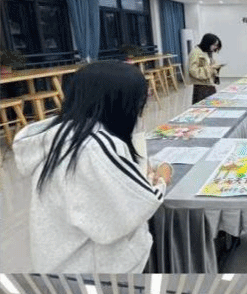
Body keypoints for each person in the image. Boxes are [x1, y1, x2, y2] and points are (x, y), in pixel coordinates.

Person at [13, 60, 173, 273]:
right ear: (118, 103)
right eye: (139, 101)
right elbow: (138, 204)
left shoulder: (63, 134)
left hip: (59, 259)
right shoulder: (95, 147)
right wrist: (161, 179)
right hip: (92, 265)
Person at [187, 33, 224, 103]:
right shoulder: (195, 52)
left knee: (213, 106)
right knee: (202, 107)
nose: (215, 47)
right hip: (201, 87)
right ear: (207, 43)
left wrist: (216, 69)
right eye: (214, 45)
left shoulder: (207, 52)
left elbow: (210, 65)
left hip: (209, 85)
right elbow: (193, 71)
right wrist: (210, 69)